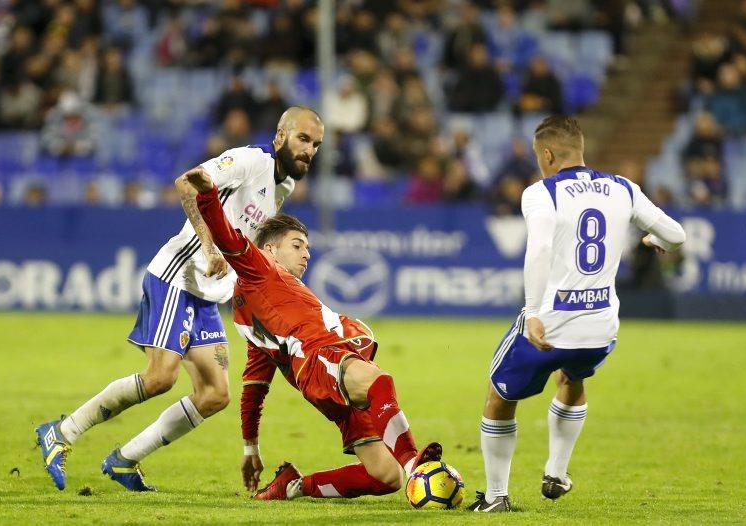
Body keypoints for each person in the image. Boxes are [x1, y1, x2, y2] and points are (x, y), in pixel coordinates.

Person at [35, 106, 324, 492]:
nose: (309, 149)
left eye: (316, 144)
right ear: (280, 137)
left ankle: (125, 460)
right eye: (303, 139)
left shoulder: (283, 187)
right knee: (159, 378)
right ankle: (62, 431)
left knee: (215, 394)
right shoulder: (251, 160)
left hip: (209, 294)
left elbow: (246, 242)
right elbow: (188, 182)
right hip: (178, 277)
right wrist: (208, 248)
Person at [468, 116, 685, 512]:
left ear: (547, 155)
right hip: (600, 331)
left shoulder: (540, 193)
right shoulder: (623, 188)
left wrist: (533, 311)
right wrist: (654, 240)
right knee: (574, 376)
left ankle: (497, 496)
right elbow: (676, 236)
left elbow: (540, 250)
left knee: (499, 396)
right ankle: (556, 470)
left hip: (550, 326)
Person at [185, 170, 443, 501]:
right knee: (379, 382)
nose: (306, 254)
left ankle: (293, 486)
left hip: (324, 381)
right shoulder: (261, 269)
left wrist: (251, 448)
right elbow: (228, 239)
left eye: (307, 247)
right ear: (270, 250)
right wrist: (208, 195)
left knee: (384, 477)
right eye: (297, 245)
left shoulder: (251, 317)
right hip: (321, 360)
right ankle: (415, 468)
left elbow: (254, 388)